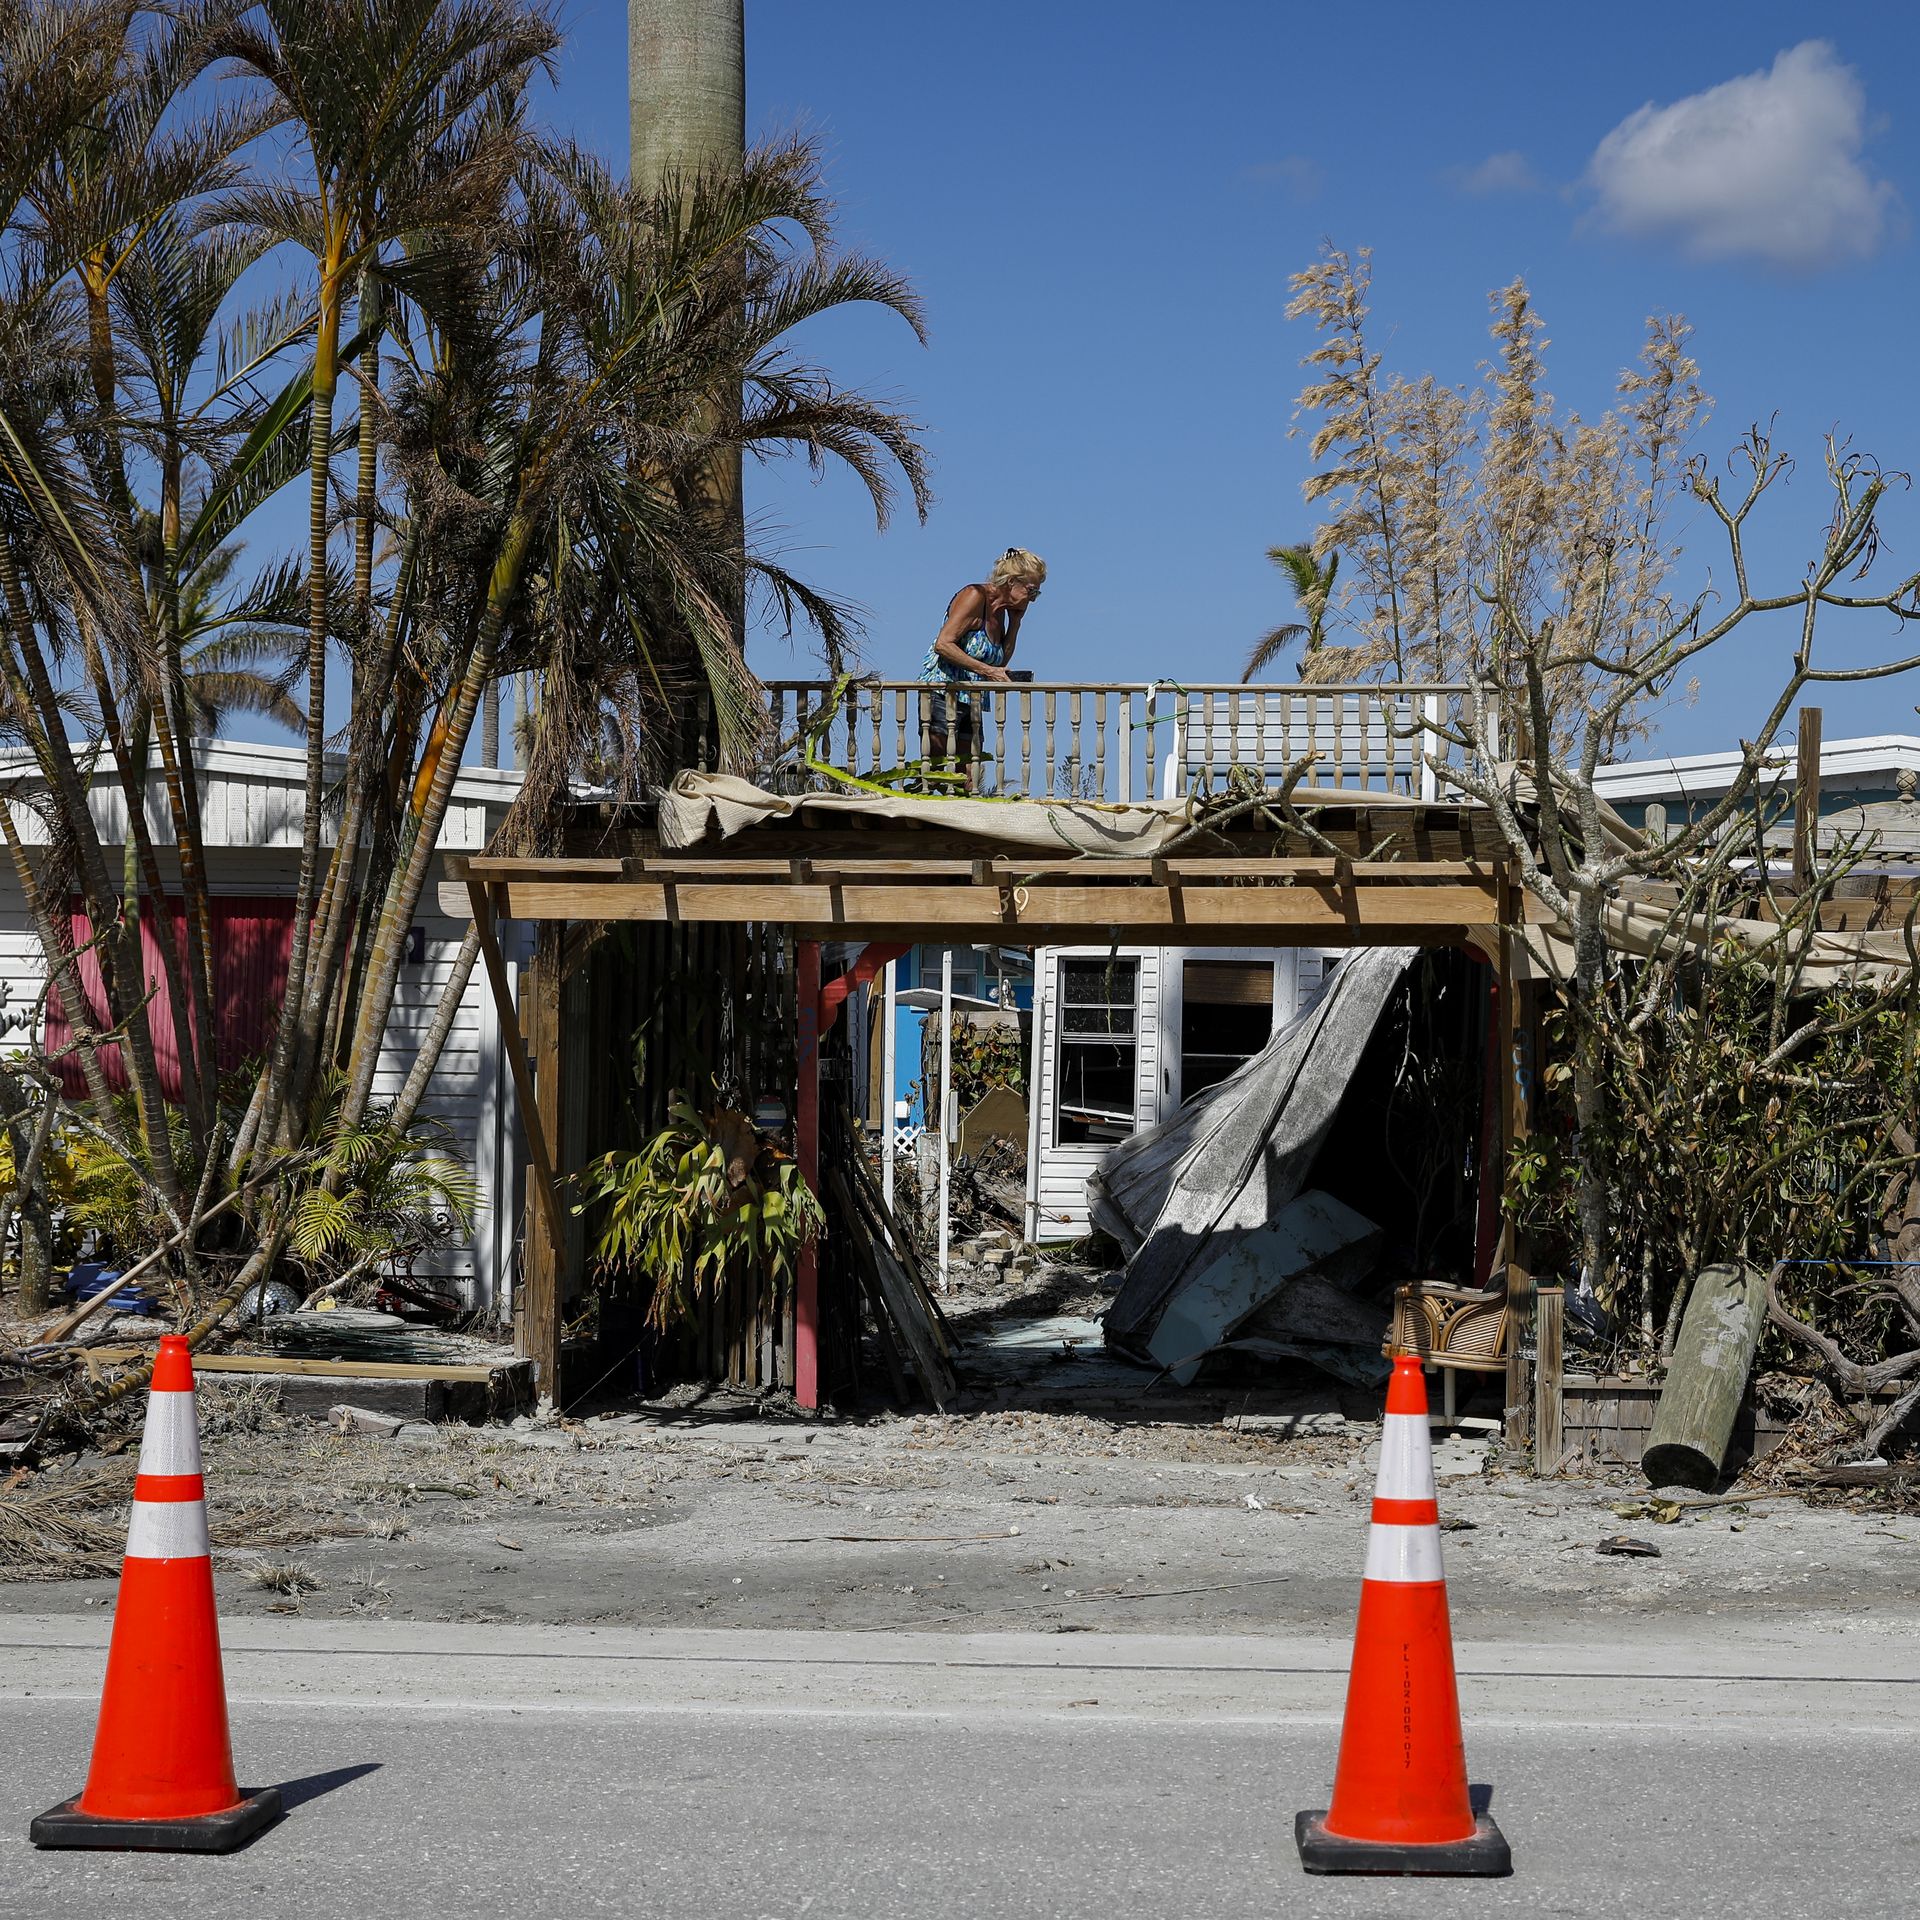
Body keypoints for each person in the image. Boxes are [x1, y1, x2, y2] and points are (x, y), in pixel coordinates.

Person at [921, 547, 1046, 785]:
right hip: (942, 692)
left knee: (969, 775)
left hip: (972, 698)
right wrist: (987, 671)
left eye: (1036, 594)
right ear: (1011, 582)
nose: (1032, 598)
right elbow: (943, 644)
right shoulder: (975, 596)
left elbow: (1000, 662)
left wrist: (1016, 623)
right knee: (937, 773)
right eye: (1031, 591)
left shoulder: (1001, 613)